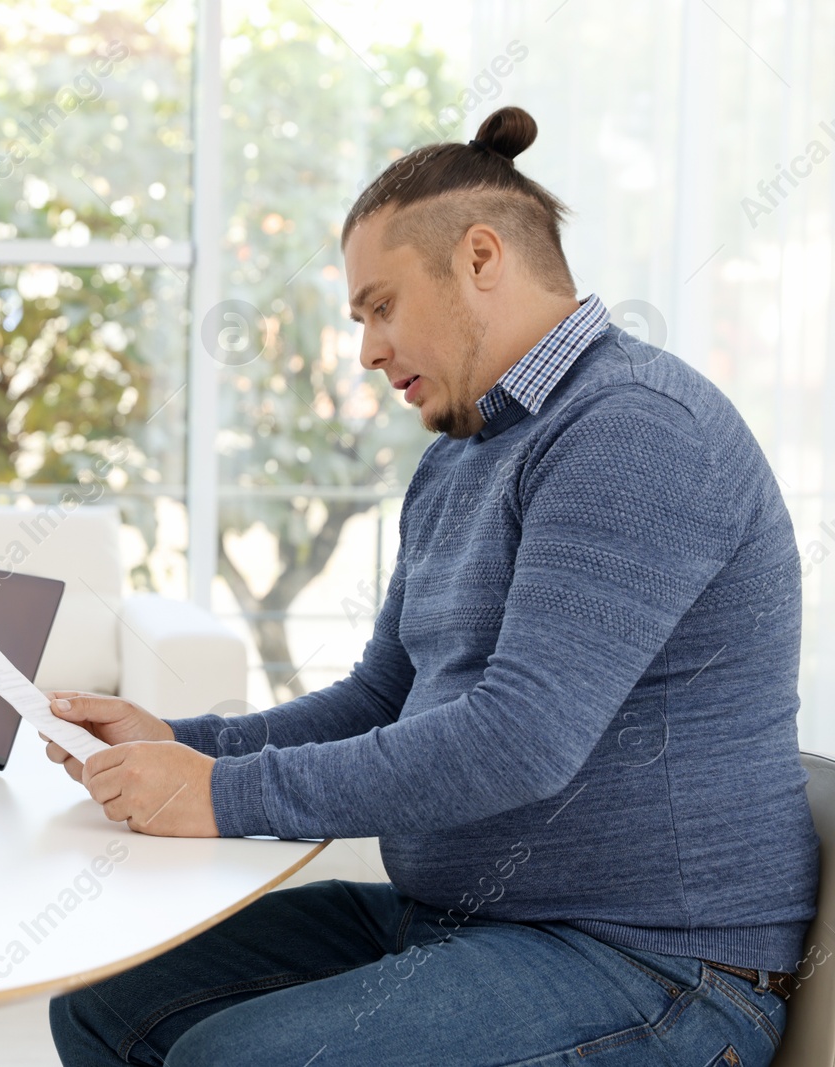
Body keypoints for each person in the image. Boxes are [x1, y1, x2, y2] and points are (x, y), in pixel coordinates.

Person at [43, 107, 818, 1066]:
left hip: (652, 963)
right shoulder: (462, 456)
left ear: (480, 258)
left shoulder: (633, 430)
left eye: (380, 305)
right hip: (457, 922)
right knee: (100, 1004)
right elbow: (381, 696)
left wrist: (225, 792)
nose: (367, 348)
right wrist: (182, 743)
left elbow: (521, 738)